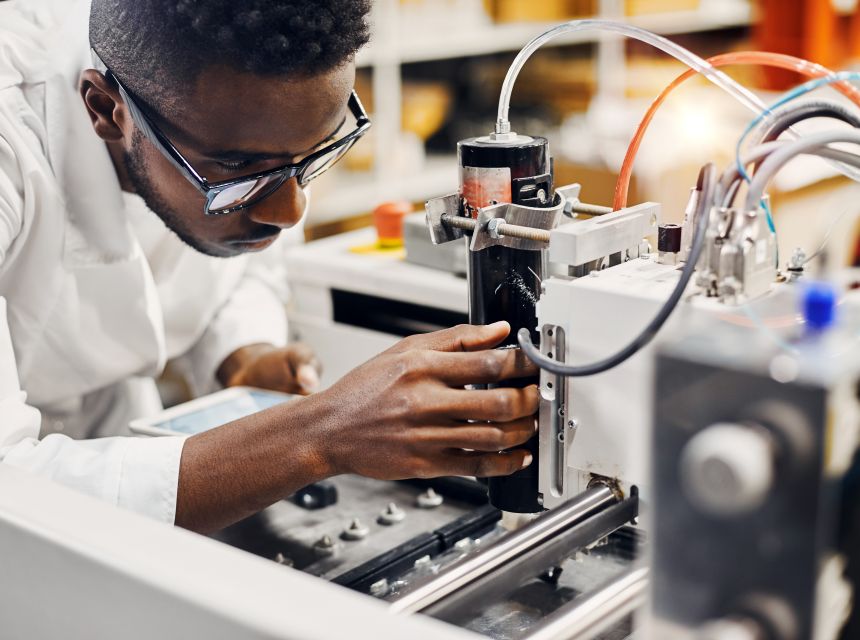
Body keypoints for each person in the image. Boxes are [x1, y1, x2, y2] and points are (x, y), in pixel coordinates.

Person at [0, 0, 539, 533]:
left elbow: (243, 270)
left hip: (114, 448)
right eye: (238, 170)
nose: (290, 211)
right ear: (104, 108)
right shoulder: (13, 142)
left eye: (312, 157)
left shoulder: (251, 122)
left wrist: (242, 352)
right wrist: (320, 435)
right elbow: (10, 487)